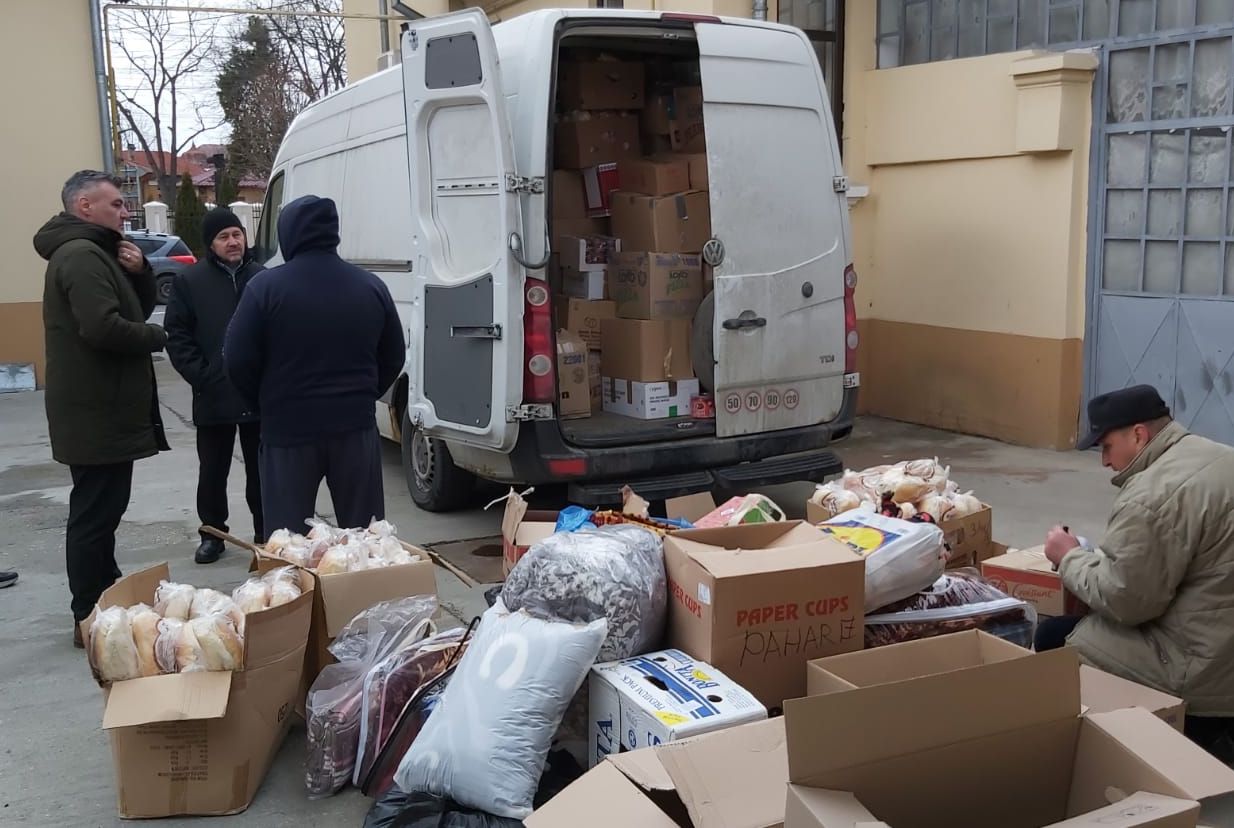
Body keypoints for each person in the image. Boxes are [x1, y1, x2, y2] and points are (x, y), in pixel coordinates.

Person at [1037, 384, 1234, 762]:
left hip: (1204, 671)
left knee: (1054, 636)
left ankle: (1181, 734)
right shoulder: (1215, 455)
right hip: (1221, 641)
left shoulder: (1151, 495)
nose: (1104, 461)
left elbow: (1127, 602)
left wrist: (1069, 557)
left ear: (1139, 435)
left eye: (1106, 446)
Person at [35, 170, 169, 646]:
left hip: (102, 410)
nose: (125, 212)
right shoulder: (80, 254)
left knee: (102, 512)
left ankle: (104, 598)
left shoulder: (99, 252)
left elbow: (131, 309)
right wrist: (160, 336)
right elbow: (103, 327)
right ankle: (89, 615)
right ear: (84, 206)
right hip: (95, 411)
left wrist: (140, 272)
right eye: (116, 204)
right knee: (94, 516)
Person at [224, 195, 405, 537]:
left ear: (288, 233)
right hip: (354, 427)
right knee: (365, 538)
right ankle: (362, 574)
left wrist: (264, 402)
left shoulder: (265, 288)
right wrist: (363, 393)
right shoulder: (370, 286)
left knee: (288, 539)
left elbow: (236, 359)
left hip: (288, 429)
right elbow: (394, 355)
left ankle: (290, 574)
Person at [164, 207, 265, 564]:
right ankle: (212, 534)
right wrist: (202, 375)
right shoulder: (190, 281)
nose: (233, 241)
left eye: (237, 234)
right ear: (210, 244)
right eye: (224, 237)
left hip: (257, 394)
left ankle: (265, 534)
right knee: (212, 472)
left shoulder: (262, 278)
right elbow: (177, 335)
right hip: (213, 393)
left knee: (261, 471)